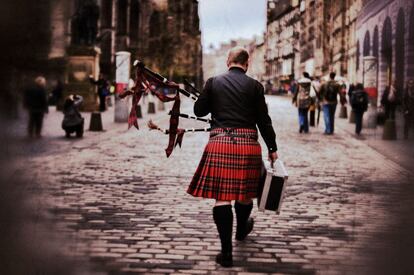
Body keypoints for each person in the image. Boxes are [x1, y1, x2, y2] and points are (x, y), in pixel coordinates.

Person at [187, 47, 278, 267]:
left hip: (220, 143)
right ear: (247, 63)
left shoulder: (213, 82)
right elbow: (263, 120)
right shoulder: (255, 86)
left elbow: (199, 111)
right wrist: (272, 147)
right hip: (247, 144)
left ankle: (226, 253)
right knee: (245, 194)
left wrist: (207, 97)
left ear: (229, 61)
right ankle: (241, 230)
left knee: (222, 197)